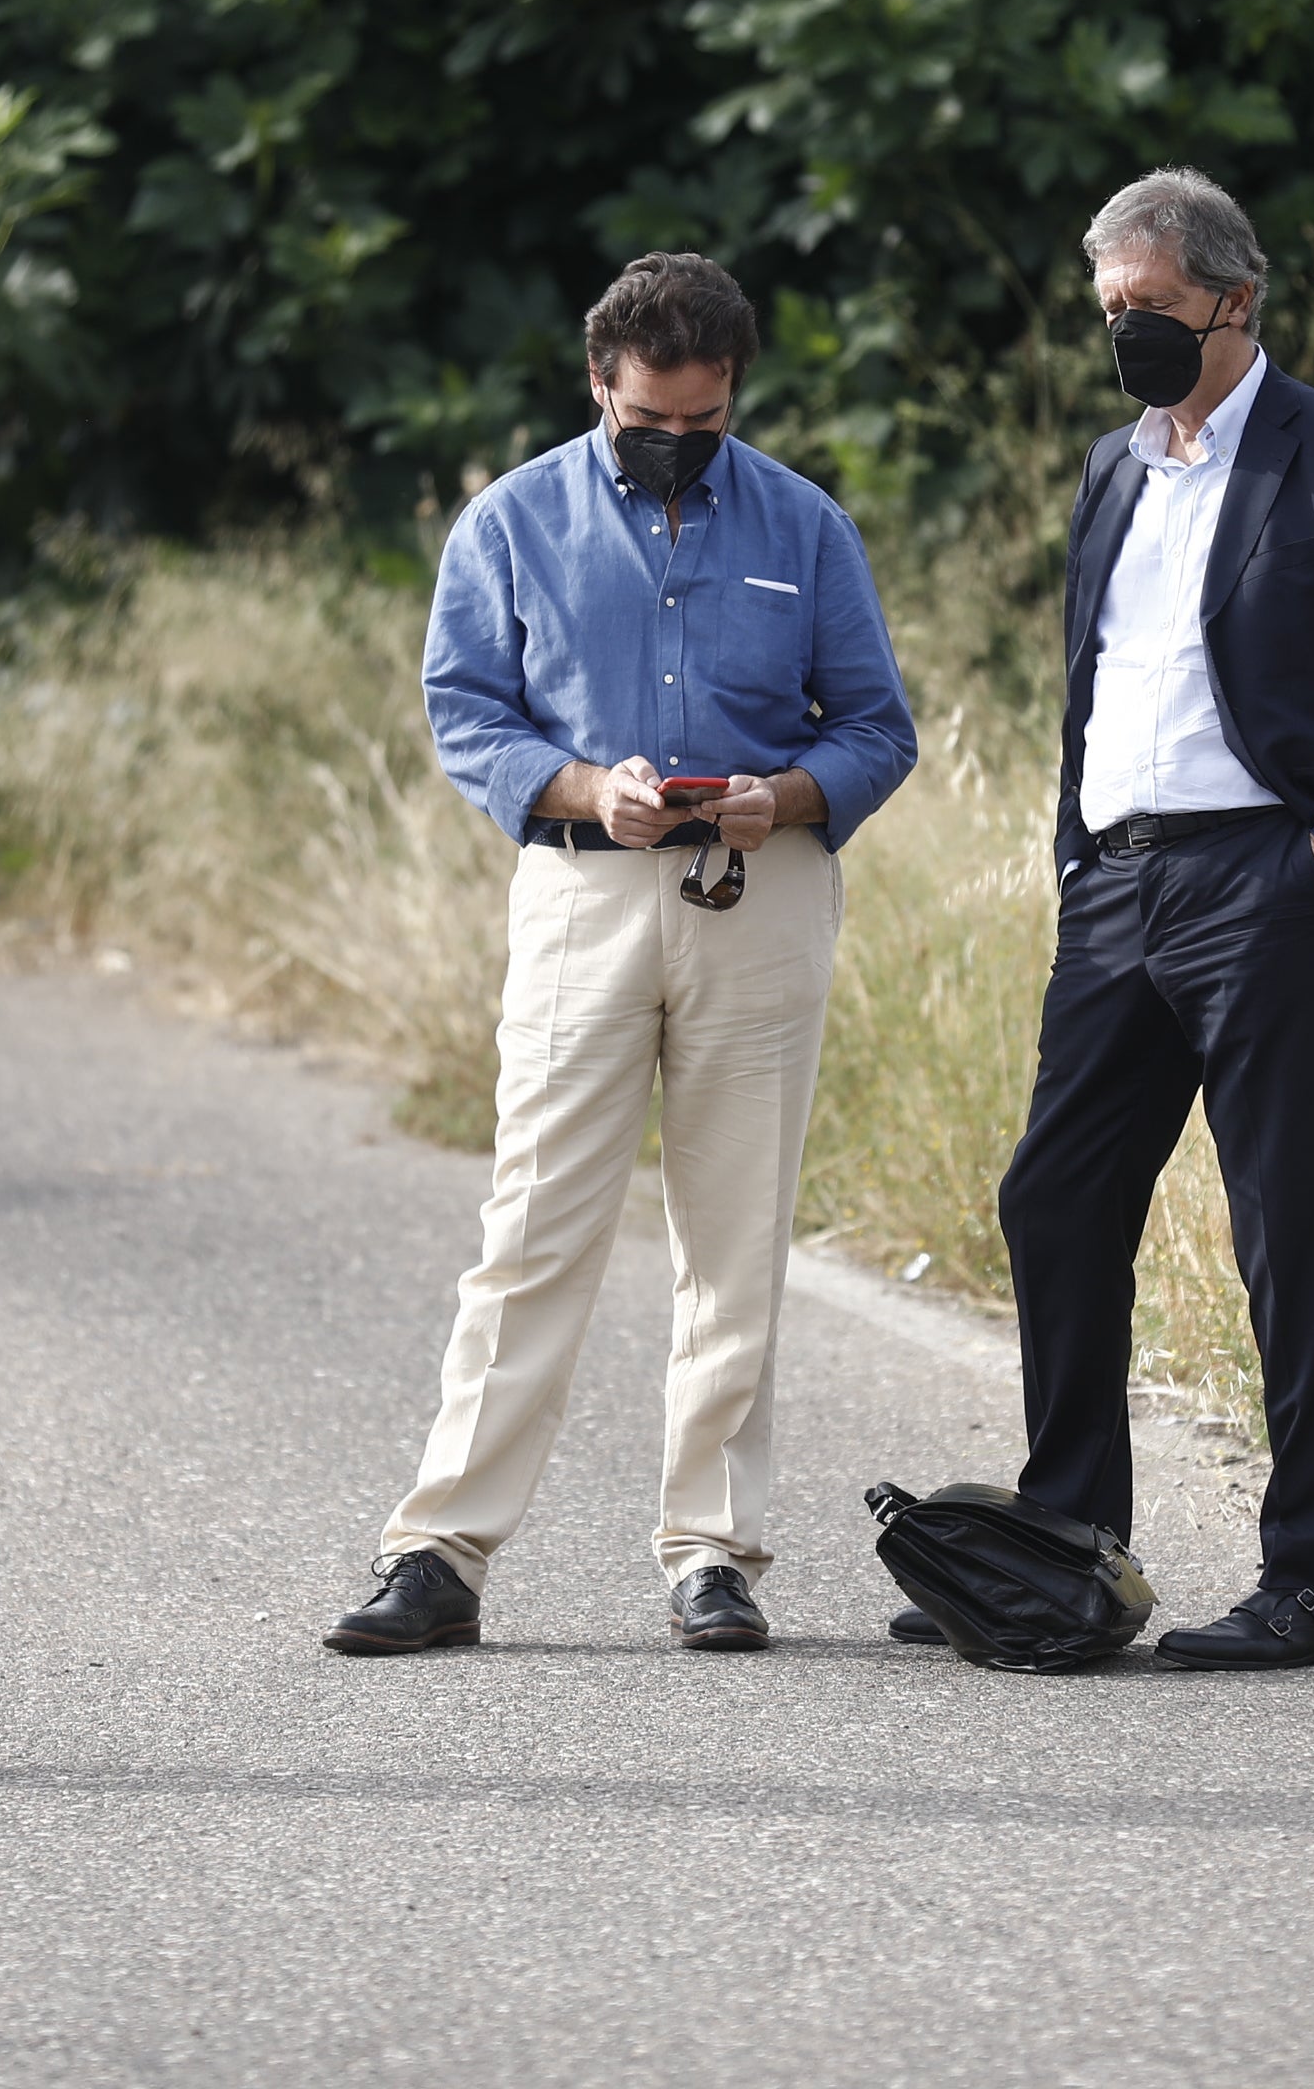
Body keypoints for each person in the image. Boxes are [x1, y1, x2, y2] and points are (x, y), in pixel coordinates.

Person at [327, 252, 920, 1657]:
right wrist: (590, 786)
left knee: (737, 1239)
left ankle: (715, 1553)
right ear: (600, 382)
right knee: (533, 1229)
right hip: (585, 891)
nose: (676, 445)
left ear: (735, 398)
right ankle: (440, 1552)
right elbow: (465, 712)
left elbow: (877, 728)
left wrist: (789, 796)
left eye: (704, 423)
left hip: (758, 886)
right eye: (650, 418)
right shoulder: (512, 520)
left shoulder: (807, 524)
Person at [944, 169, 1314, 1671]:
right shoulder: (1113, 473)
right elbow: (1093, 688)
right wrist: (1073, 861)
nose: (1129, 338)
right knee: (1054, 1198)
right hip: (1116, 889)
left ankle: (1309, 1586)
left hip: (1270, 884)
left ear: (1234, 302)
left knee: (1282, 1227)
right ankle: (1067, 1546)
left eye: (1155, 313)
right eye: (1112, 313)